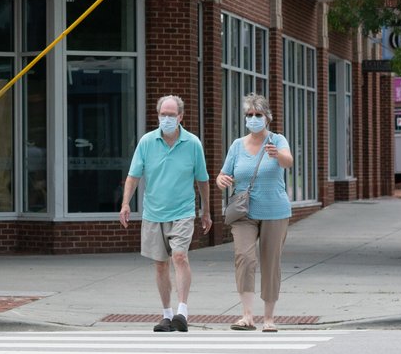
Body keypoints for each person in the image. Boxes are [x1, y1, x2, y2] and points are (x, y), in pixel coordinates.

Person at [120, 94, 210, 332]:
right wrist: (126, 203)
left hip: (183, 211)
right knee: (160, 264)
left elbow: (203, 180)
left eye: (171, 115)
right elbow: (134, 175)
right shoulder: (147, 142)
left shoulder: (193, 144)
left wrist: (206, 211)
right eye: (163, 114)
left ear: (180, 116)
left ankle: (182, 311)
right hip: (153, 213)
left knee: (179, 256)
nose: (167, 119)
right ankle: (167, 314)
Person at [216, 93, 294, 332]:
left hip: (275, 211)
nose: (253, 119)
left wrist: (277, 154)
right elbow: (223, 173)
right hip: (244, 212)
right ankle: (247, 316)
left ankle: (268, 318)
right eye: (249, 115)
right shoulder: (237, 145)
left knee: (271, 262)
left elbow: (288, 162)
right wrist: (221, 180)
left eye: (258, 114)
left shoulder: (277, 140)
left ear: (267, 117)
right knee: (245, 258)